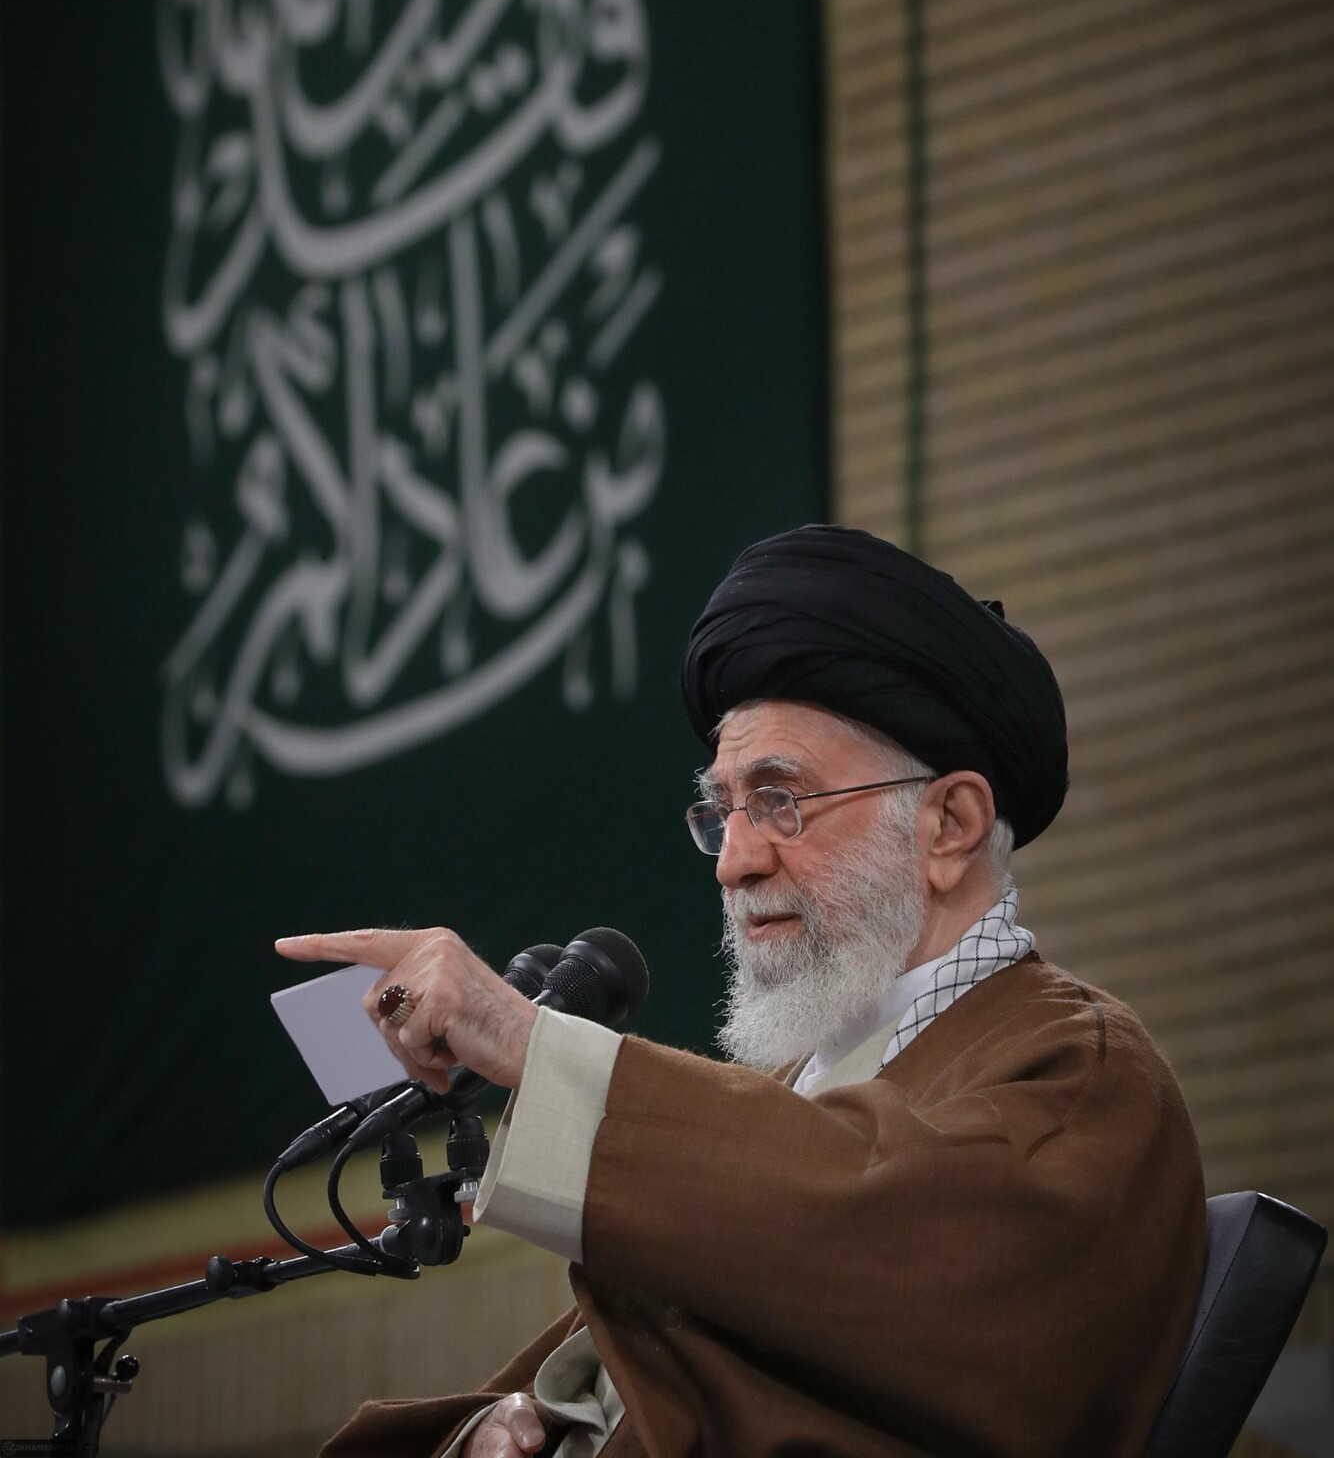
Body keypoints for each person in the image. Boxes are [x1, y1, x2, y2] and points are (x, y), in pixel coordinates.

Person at [278, 525, 1205, 1458]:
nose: (733, 862)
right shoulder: (806, 1090)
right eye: (723, 810)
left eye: (779, 800)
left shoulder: (1078, 1075)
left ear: (949, 825)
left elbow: (875, 1242)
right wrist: (500, 1429)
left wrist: (528, 1043)